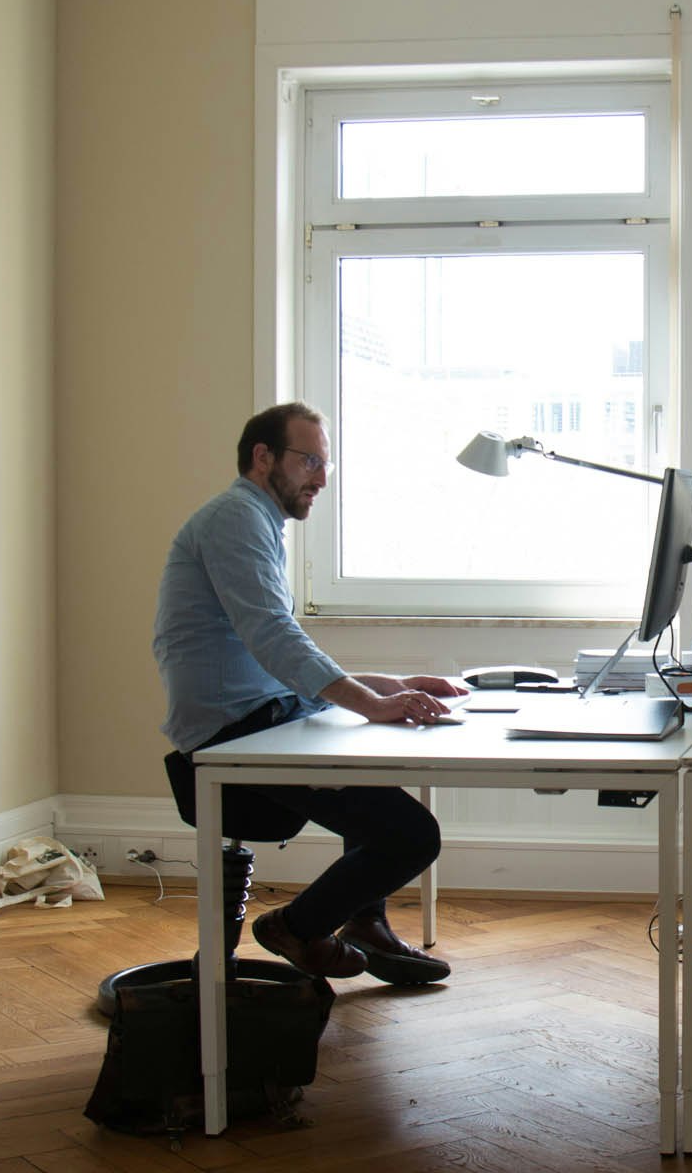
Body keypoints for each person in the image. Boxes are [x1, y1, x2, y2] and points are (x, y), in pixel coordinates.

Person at [153, 401, 465, 984]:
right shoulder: (236, 518)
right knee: (411, 835)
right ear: (263, 456)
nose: (320, 478)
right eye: (310, 461)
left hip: (265, 713)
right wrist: (369, 702)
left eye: (325, 465)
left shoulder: (257, 521)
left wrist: (387, 686)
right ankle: (295, 927)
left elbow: (274, 657)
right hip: (235, 732)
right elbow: (273, 635)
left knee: (369, 761)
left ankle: (363, 922)